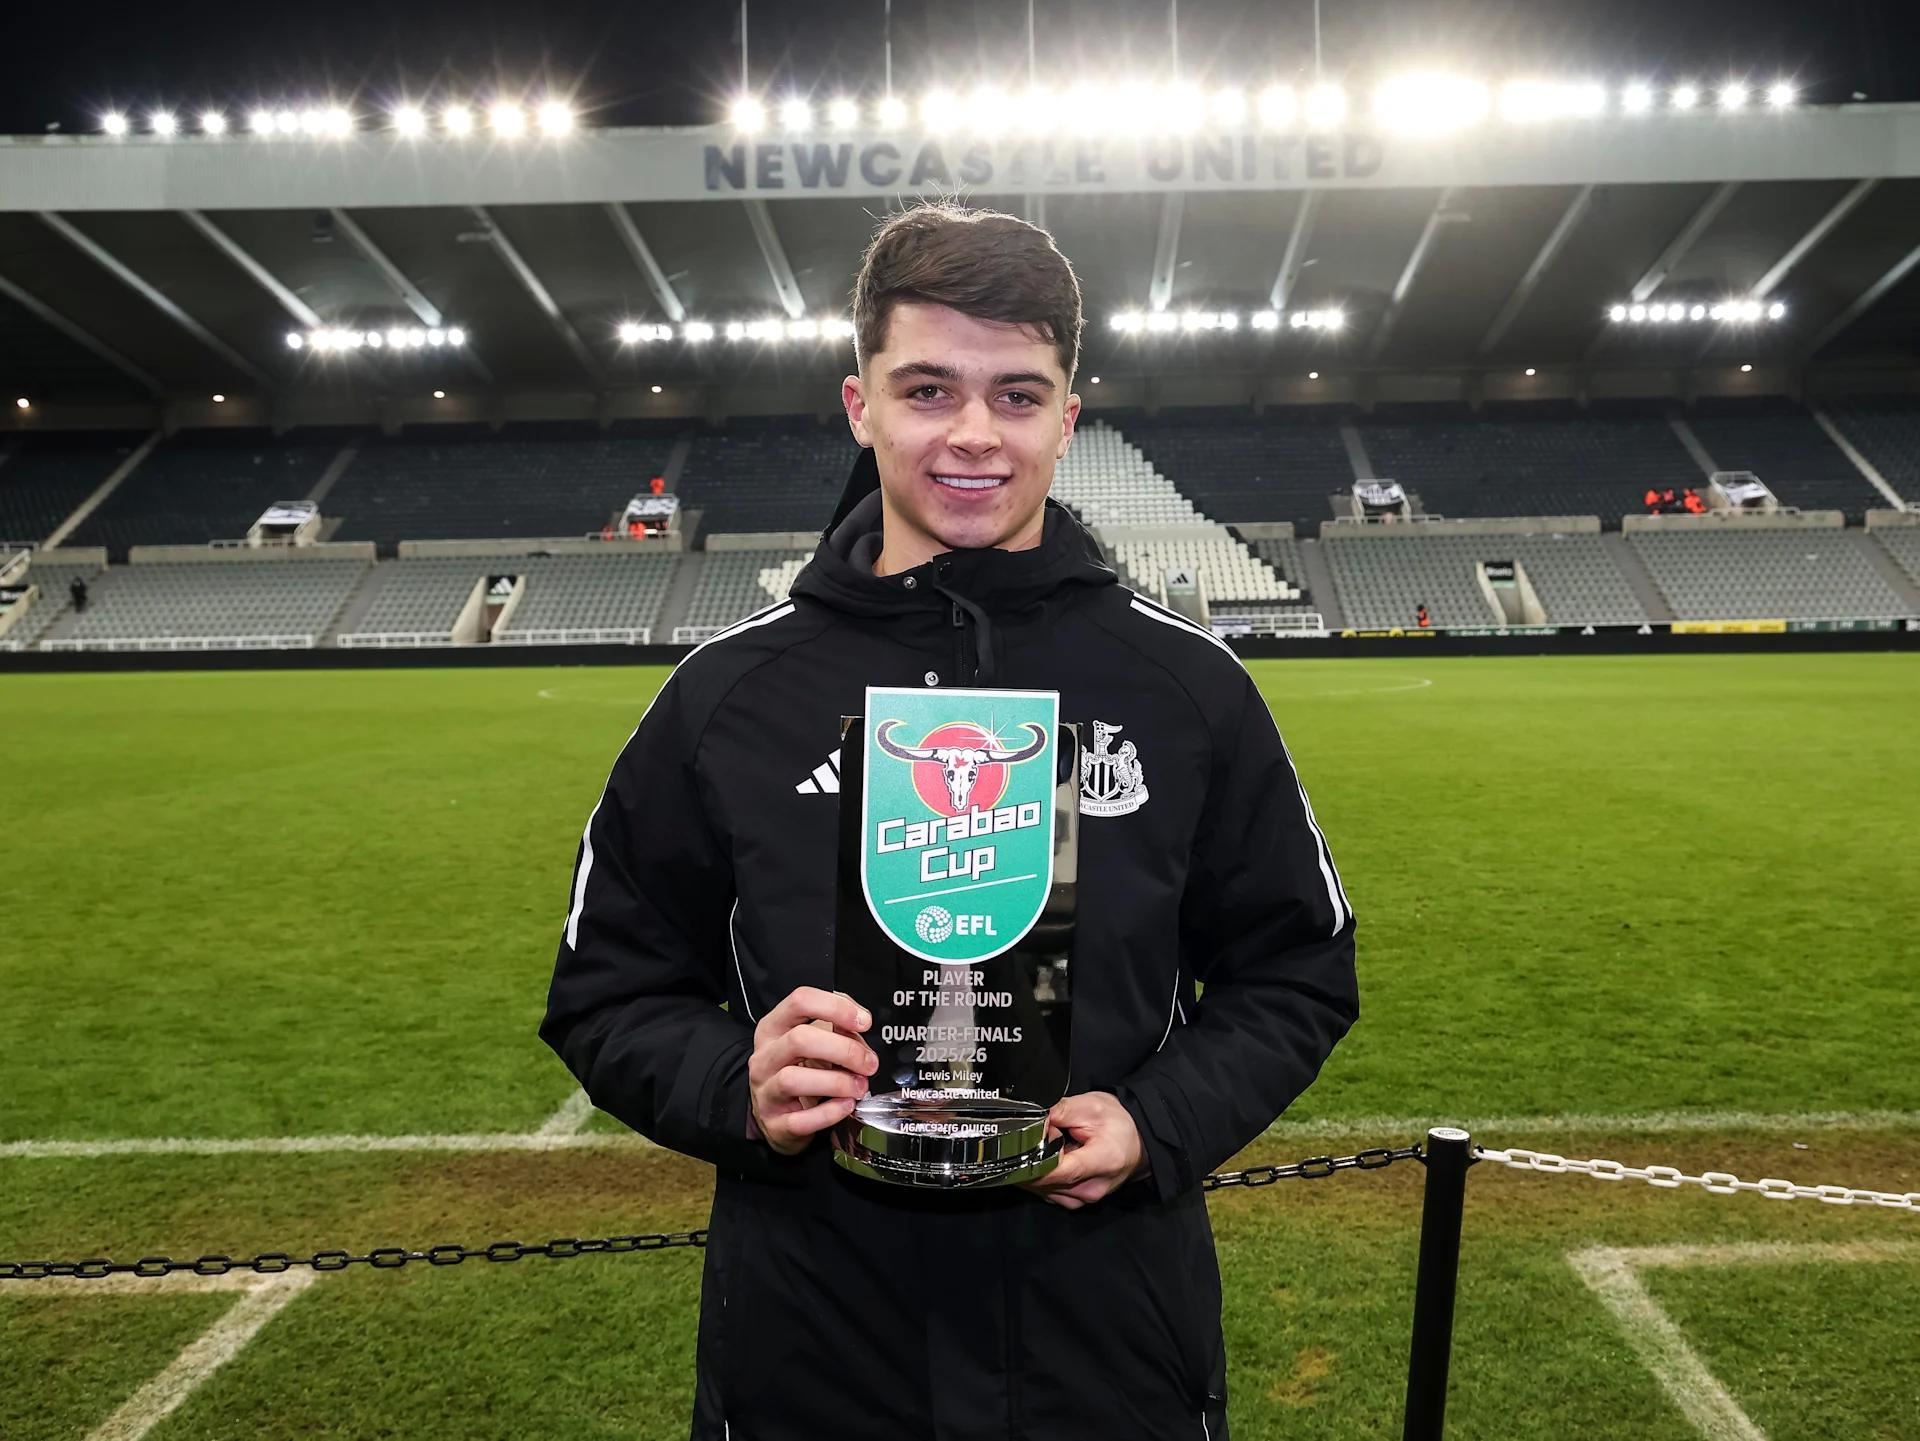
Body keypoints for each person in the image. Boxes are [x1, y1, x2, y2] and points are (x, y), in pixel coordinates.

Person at [541, 202, 1358, 1441]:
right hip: (812, 1353)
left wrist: (1157, 1121)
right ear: (859, 405)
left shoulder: (1186, 689)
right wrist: (734, 1084)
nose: (975, 433)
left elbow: (1297, 966)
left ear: (1067, 419)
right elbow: (608, 989)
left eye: (1017, 395)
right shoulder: (729, 698)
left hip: (1109, 1349)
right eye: (928, 389)